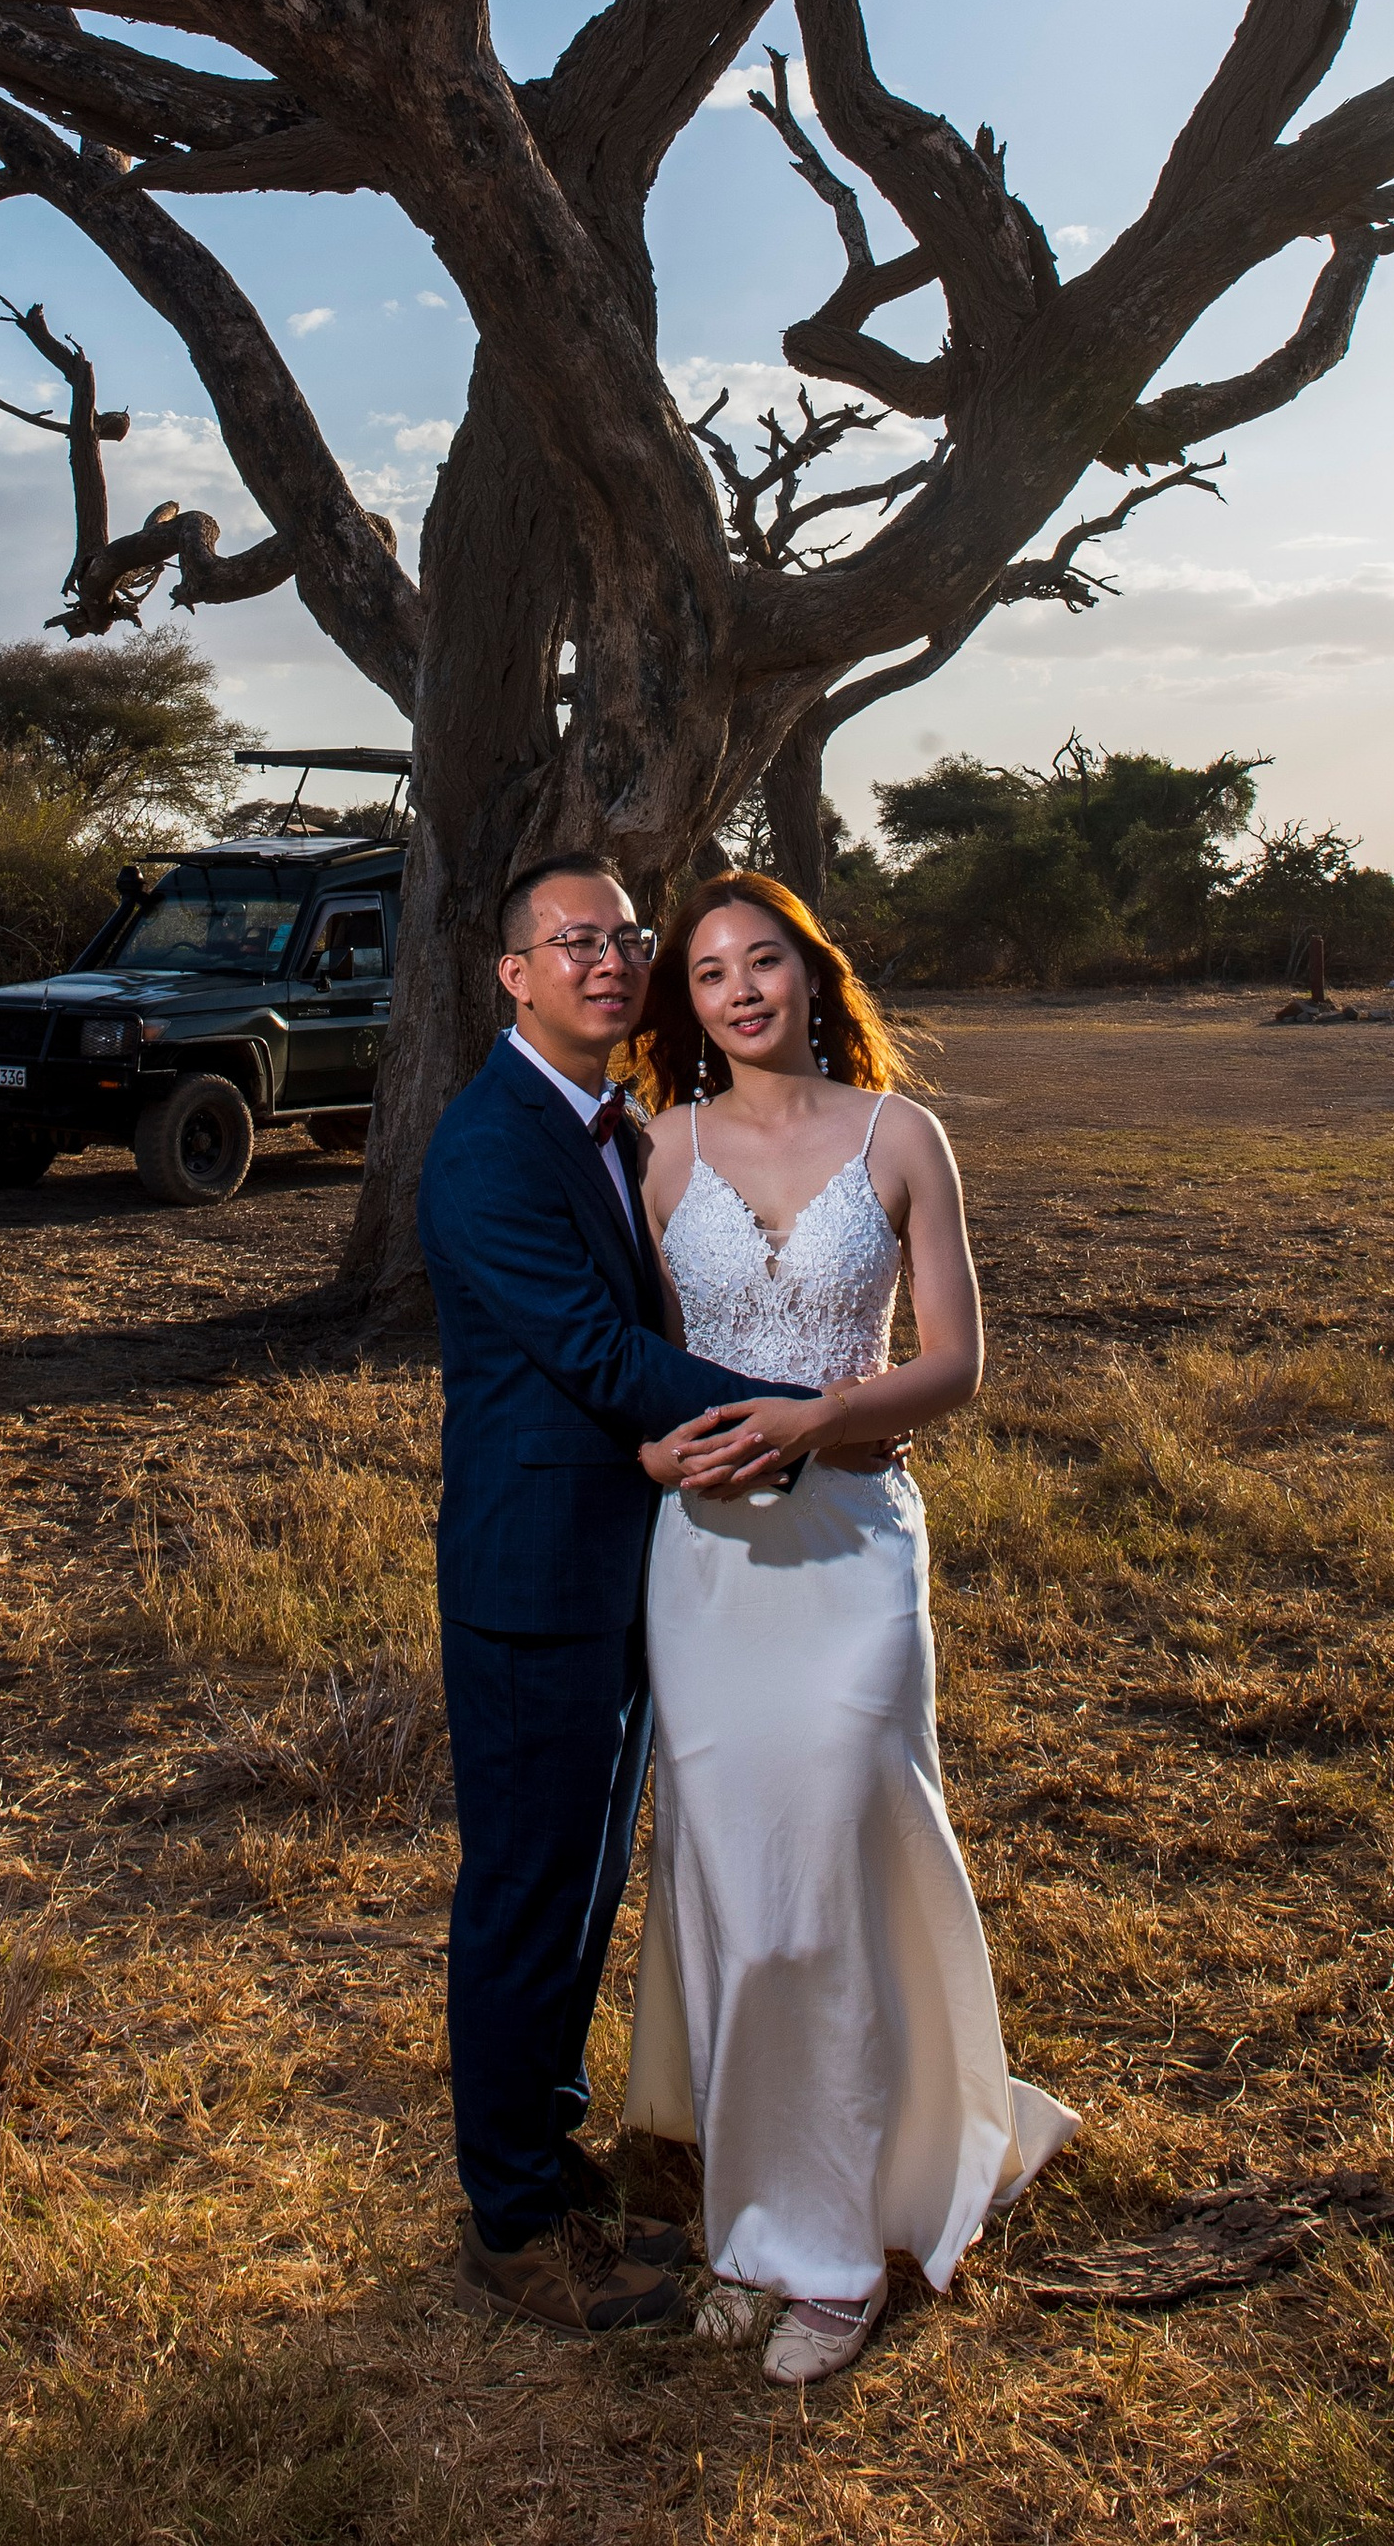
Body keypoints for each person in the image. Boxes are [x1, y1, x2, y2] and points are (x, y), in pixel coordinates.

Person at [622, 871, 1077, 2386]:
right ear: (685, 1005)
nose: (741, 990)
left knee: (824, 1876)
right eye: (707, 973)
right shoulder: (657, 1148)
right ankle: (753, 2228)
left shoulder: (900, 1137)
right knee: (738, 1893)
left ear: (812, 980)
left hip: (856, 1553)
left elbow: (956, 1363)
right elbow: (624, 1376)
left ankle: (841, 2252)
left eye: (765, 962)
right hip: (701, 1570)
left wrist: (823, 1419)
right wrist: (655, 1454)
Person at [418, 853, 856, 2337]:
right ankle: (511, 2219)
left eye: (624, 937)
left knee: (588, 1889)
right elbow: (599, 1356)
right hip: (532, 1576)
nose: (607, 960)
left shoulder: (611, 1121)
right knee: (528, 1899)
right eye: (571, 942)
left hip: (625, 1566)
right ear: (513, 975)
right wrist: (805, 1408)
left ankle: (552, 2153)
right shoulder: (489, 1146)